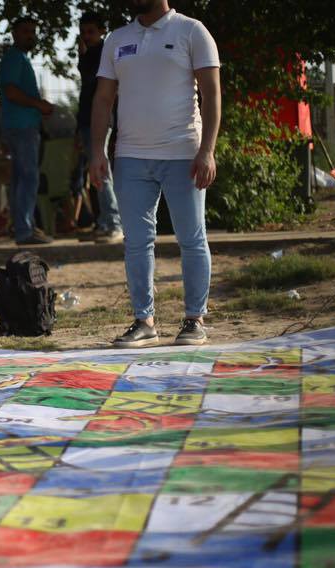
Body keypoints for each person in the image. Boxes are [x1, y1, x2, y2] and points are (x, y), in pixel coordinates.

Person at [90, 0, 220, 348]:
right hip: (130, 156)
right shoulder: (117, 39)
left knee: (191, 238)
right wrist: (97, 151)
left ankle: (195, 319)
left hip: (183, 153)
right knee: (136, 241)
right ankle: (143, 321)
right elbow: (103, 98)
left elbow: (211, 93)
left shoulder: (192, 31)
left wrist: (207, 150)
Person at [0, 16, 54, 245]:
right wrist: (39, 104)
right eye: (25, 31)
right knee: (28, 178)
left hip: (20, 125)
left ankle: (24, 227)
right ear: (14, 34)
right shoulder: (13, 58)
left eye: (33, 31)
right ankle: (24, 230)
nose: (30, 35)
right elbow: (11, 92)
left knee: (21, 179)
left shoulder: (19, 58)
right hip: (21, 127)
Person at [75, 11, 122, 244]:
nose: (87, 36)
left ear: (102, 31)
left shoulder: (104, 53)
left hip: (99, 120)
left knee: (101, 171)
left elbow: (101, 90)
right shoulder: (91, 54)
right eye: (83, 32)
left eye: (91, 31)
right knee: (96, 173)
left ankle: (114, 222)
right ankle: (104, 222)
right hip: (87, 119)